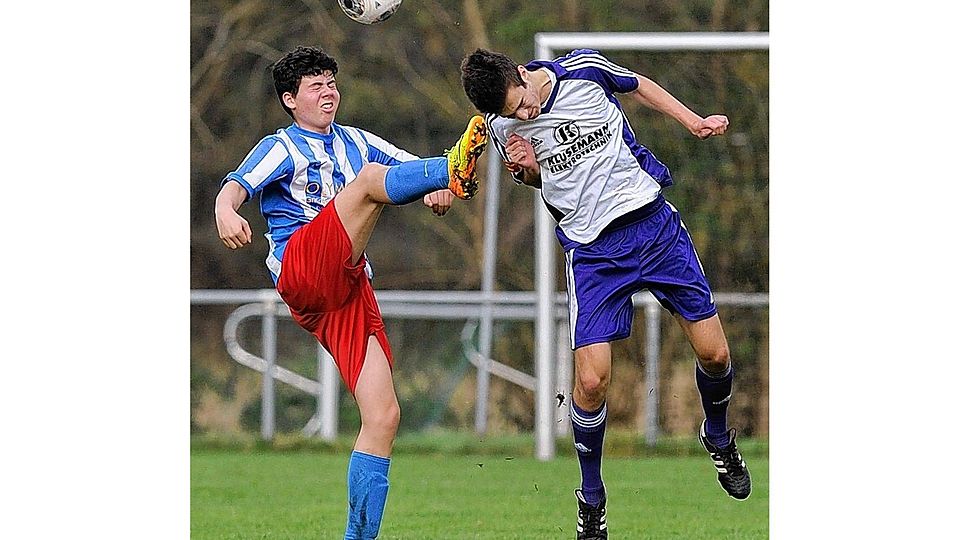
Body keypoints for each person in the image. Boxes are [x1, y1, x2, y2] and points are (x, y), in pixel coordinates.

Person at [460, 48, 751, 539]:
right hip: (594, 254)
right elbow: (535, 178)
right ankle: (591, 498)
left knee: (716, 354)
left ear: (520, 73)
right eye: (511, 115)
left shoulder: (581, 71)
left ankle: (718, 437)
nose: (523, 115)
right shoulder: (501, 125)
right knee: (592, 382)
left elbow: (639, 85)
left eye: (523, 104)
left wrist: (692, 120)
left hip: (654, 228)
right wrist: (524, 169)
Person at [215, 46, 487, 540]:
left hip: (344, 287)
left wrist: (438, 184)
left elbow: (411, 169)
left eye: (332, 83)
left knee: (383, 416)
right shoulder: (282, 146)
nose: (328, 92)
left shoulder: (358, 140)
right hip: (302, 268)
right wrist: (224, 210)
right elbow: (235, 186)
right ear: (290, 100)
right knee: (366, 184)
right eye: (315, 86)